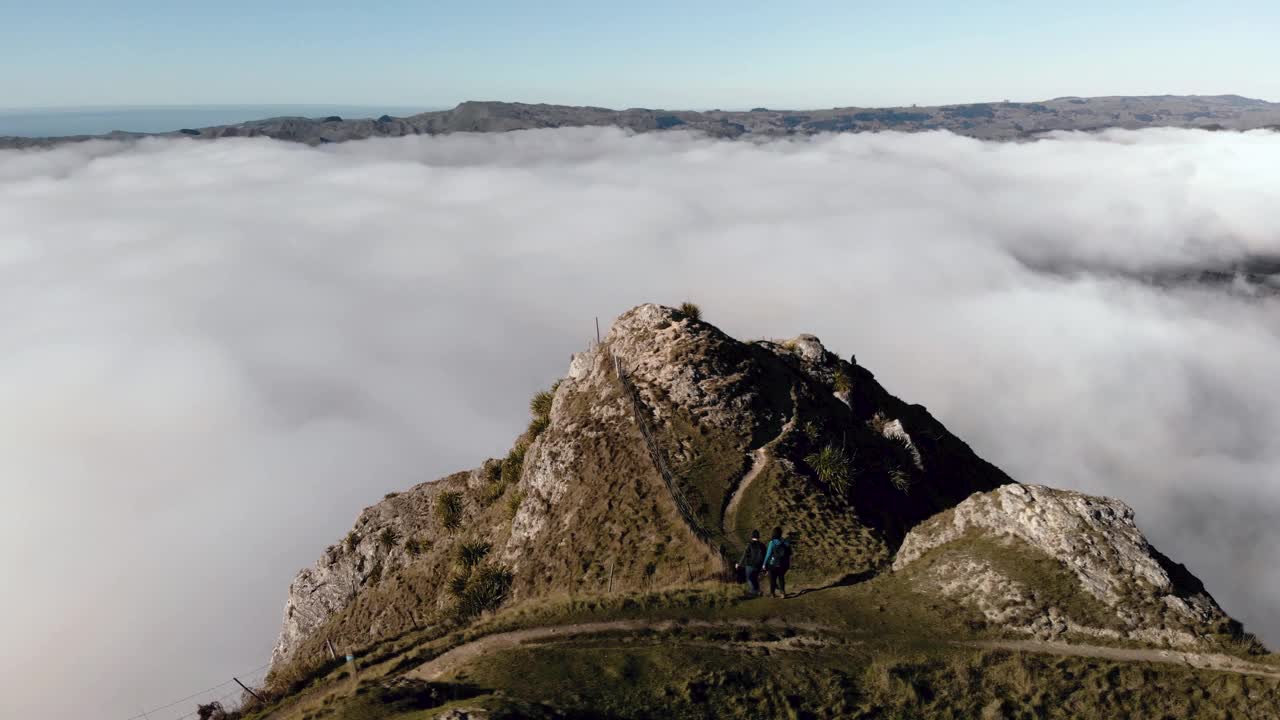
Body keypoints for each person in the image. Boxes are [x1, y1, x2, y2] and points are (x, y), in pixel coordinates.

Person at [735, 529, 767, 596]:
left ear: (752, 536)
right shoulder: (763, 545)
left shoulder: (749, 544)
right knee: (755, 577)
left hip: (750, 565)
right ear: (758, 536)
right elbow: (765, 556)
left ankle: (753, 591)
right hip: (759, 565)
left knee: (749, 577)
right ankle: (758, 591)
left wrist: (739, 564)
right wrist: (765, 566)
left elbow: (744, 555)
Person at [762, 526, 792, 598]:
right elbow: (789, 552)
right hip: (782, 563)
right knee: (781, 578)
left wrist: (764, 564)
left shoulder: (772, 543)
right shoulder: (784, 541)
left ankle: (772, 594)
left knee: (773, 579)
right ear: (780, 533)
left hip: (773, 563)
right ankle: (783, 593)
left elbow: (768, 554)